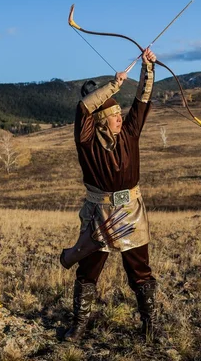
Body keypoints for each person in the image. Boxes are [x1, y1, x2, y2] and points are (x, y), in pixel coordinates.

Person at [64, 48, 158, 342]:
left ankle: (150, 324)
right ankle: (80, 325)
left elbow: (142, 101)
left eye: (120, 114)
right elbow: (83, 109)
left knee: (139, 271)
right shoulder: (87, 141)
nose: (121, 118)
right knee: (88, 270)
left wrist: (148, 69)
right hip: (99, 213)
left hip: (130, 210)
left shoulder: (129, 133)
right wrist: (114, 85)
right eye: (115, 114)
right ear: (101, 119)